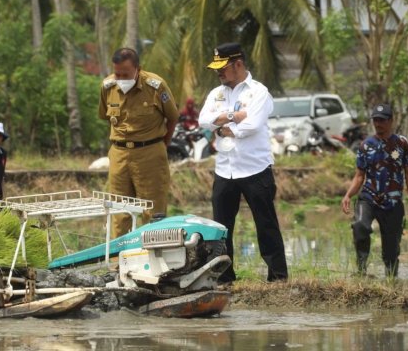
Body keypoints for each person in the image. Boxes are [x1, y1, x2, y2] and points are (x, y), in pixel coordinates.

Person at [198, 42, 288, 284]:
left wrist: (226, 130)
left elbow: (252, 125)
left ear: (238, 64)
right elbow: (203, 121)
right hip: (224, 170)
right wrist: (231, 117)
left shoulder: (259, 92)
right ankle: (225, 277)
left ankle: (278, 277)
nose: (218, 72)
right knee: (221, 228)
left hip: (255, 168)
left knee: (266, 224)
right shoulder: (216, 94)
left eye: (222, 67)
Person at [98, 48, 179, 238]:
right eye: (117, 73)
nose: (120, 78)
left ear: (138, 69)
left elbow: (173, 117)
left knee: (153, 211)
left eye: (125, 74)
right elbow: (104, 115)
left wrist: (160, 146)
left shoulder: (156, 86)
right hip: (119, 155)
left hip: (150, 153)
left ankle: (154, 262)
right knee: (119, 211)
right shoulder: (108, 86)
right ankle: (119, 261)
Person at [341, 104, 408, 278]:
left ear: (391, 121)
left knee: (391, 247)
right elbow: (359, 176)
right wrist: (348, 195)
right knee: (360, 226)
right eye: (376, 120)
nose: (378, 124)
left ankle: (391, 280)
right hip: (369, 197)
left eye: (382, 120)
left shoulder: (402, 144)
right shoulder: (366, 145)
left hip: (393, 201)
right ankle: (361, 270)